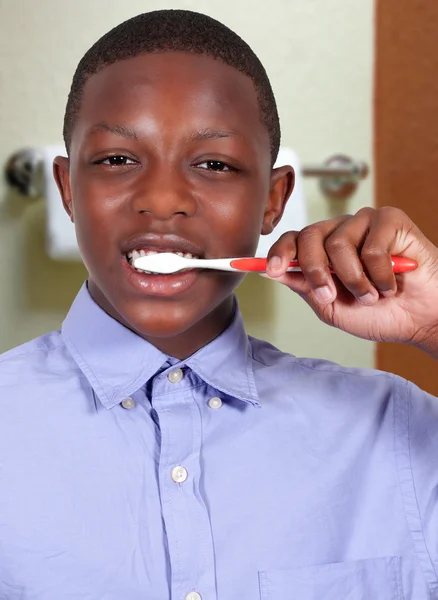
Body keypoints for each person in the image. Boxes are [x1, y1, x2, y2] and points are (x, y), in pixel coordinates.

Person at [0, 9, 437, 600]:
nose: (162, 200)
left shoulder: (398, 432)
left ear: (274, 201)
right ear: (68, 189)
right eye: (116, 160)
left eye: (215, 165)